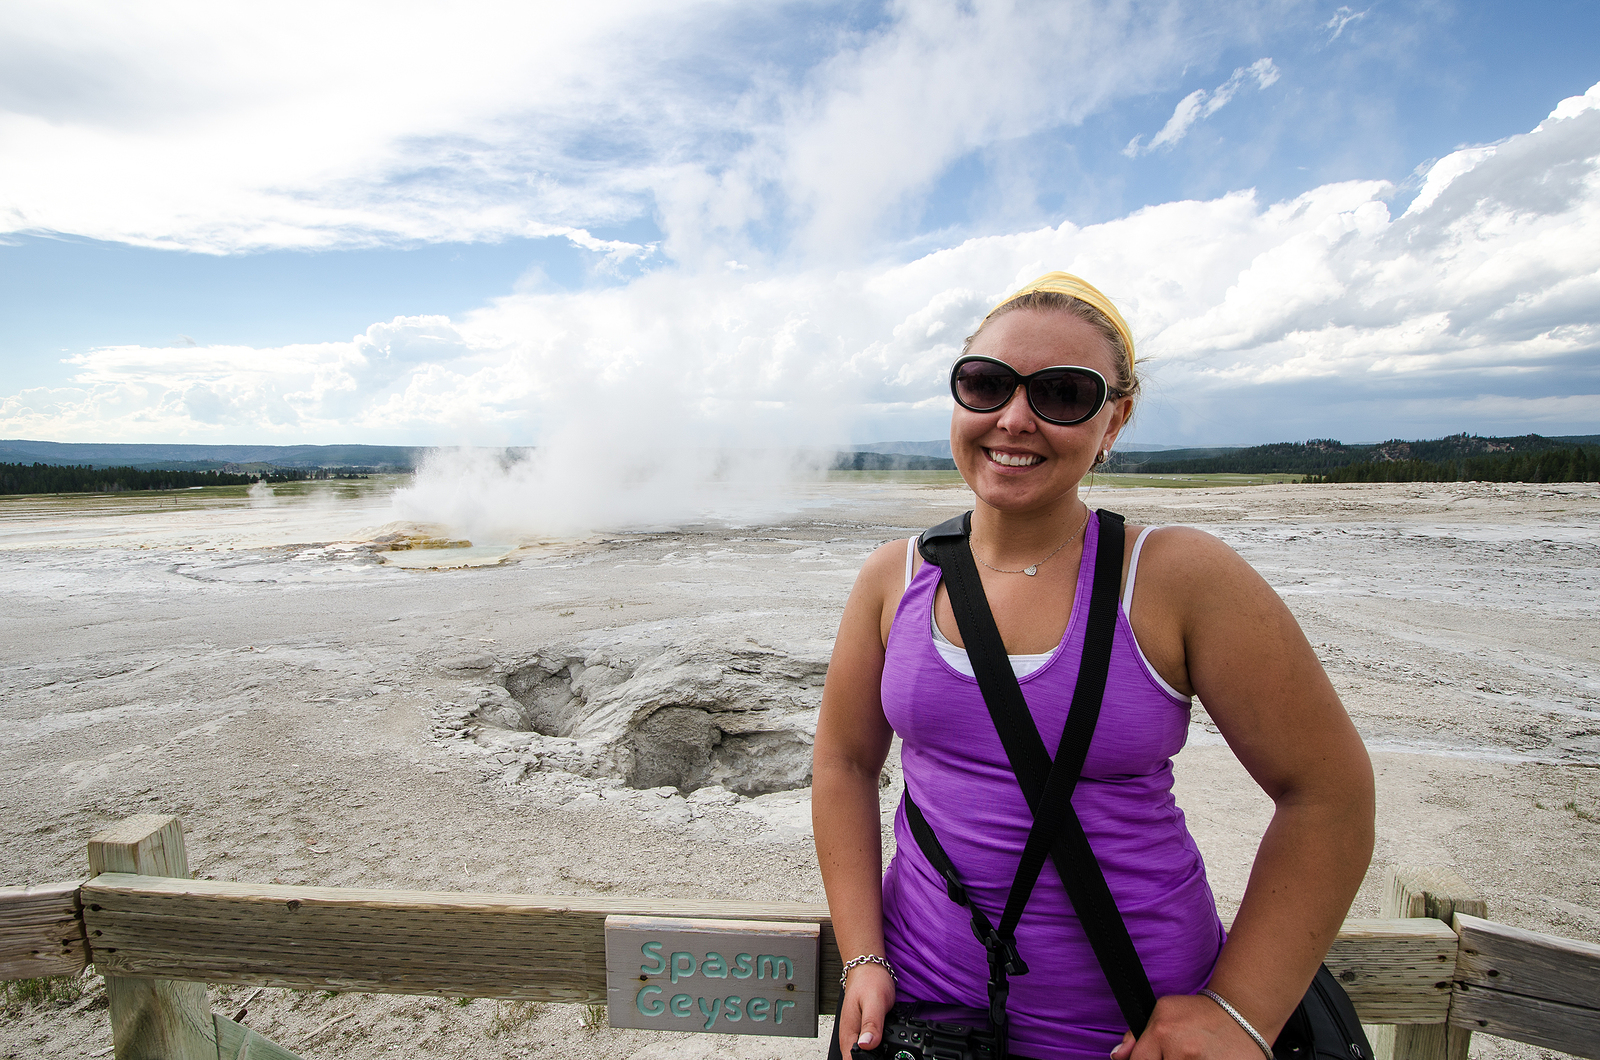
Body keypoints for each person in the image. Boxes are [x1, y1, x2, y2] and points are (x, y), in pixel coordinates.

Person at [812, 272, 1375, 1060]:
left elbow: (1330, 793)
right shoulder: (894, 579)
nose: (1014, 418)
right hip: (923, 1024)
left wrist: (1242, 1012)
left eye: (1063, 395)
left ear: (1117, 416)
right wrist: (863, 956)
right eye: (986, 384)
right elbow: (842, 763)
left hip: (1128, 1031)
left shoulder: (1177, 576)